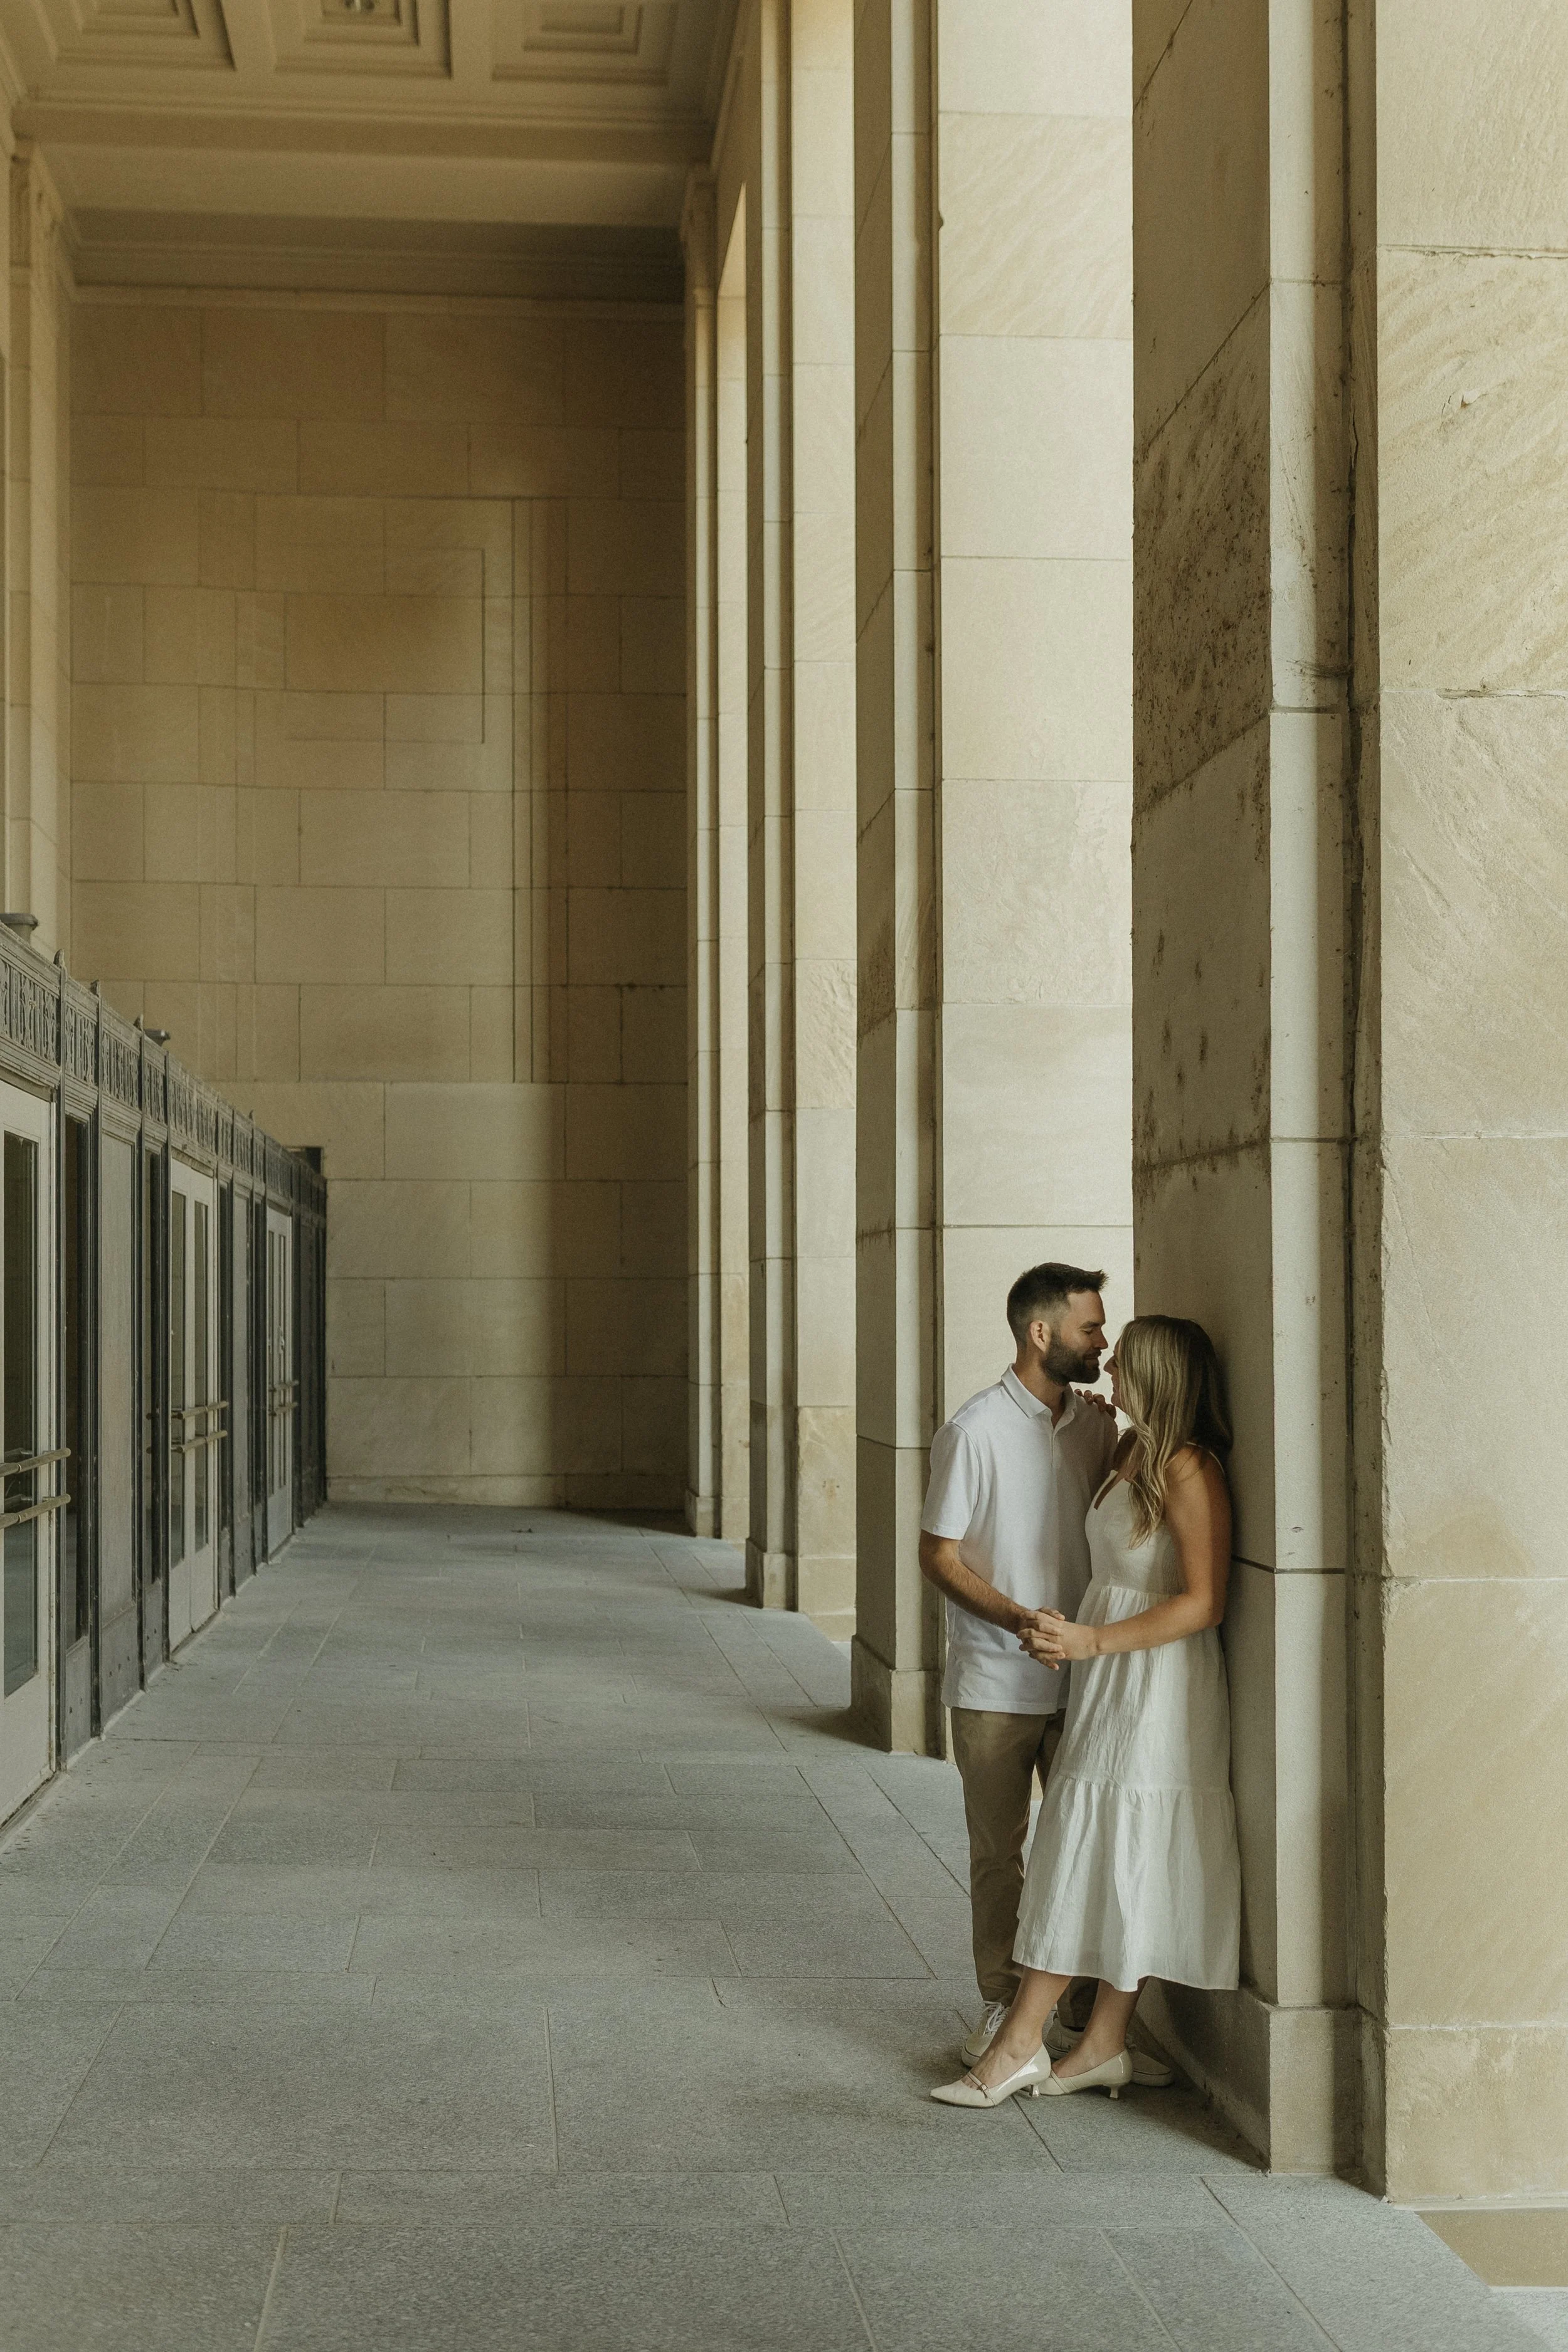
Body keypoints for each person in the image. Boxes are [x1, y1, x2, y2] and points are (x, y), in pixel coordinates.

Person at [931, 1314, 1241, 2108]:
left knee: (1102, 1841)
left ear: (1162, 1377)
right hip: (1107, 1672)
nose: (1107, 1367)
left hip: (1157, 1683)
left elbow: (1204, 1603)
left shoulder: (1190, 1469)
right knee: (1099, 1839)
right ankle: (1101, 2042)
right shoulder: (1128, 1446)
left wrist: (1093, 1642)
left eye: (1125, 1359)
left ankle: (1022, 2042)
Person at [919, 1263, 1172, 2079]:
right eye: (1092, 1329)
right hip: (996, 1681)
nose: (1103, 1340)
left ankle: (1069, 2009)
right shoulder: (974, 1430)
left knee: (1084, 1845)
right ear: (1042, 1334)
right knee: (1003, 1851)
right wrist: (1016, 1619)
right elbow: (939, 1555)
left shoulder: (1099, 1427)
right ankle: (1003, 2000)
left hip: (1090, 1683)